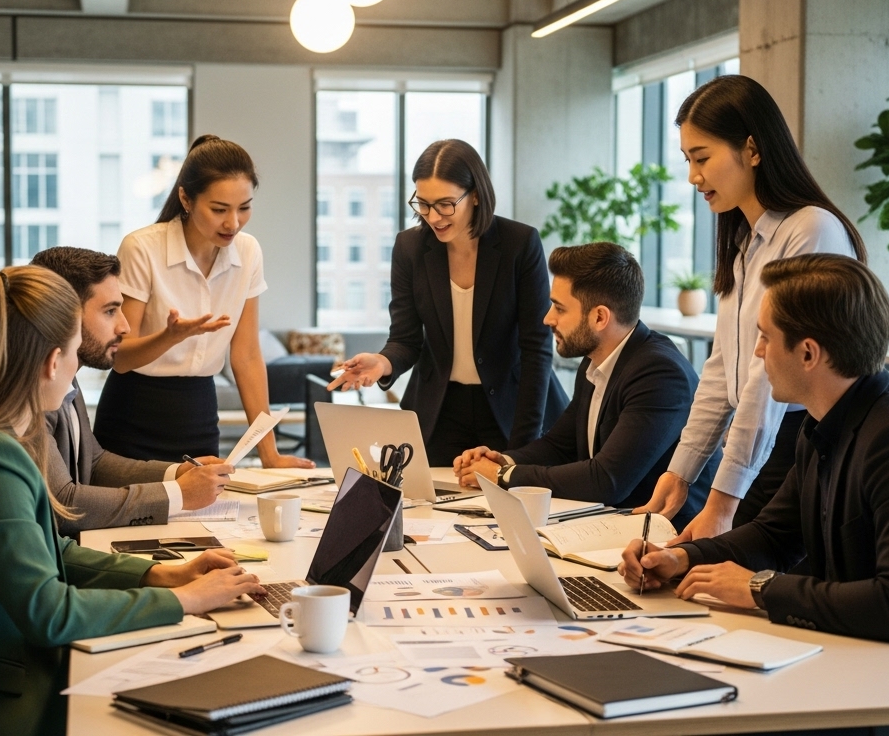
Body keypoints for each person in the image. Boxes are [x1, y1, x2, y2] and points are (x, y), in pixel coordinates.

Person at [619, 254, 889, 736]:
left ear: (809, 353)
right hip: (871, 676)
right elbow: (775, 534)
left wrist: (758, 589)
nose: (757, 353)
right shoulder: (825, 422)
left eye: (766, 337)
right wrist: (681, 557)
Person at [0, 266, 261, 736]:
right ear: (50, 361)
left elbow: (48, 550)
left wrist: (162, 573)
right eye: (73, 355)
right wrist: (183, 600)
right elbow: (48, 612)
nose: (75, 370)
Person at [636, 75, 867, 542]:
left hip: (800, 439)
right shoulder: (743, 243)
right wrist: (681, 471)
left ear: (753, 149)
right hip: (760, 444)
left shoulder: (811, 230)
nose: (692, 176)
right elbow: (723, 369)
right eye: (687, 160)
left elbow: (764, 379)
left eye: (702, 158)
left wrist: (723, 502)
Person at [329, 139, 567, 466]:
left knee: (505, 504)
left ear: (477, 195)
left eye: (444, 204)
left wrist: (521, 451)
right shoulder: (410, 248)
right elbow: (405, 339)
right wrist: (382, 363)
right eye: (423, 204)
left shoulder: (519, 244)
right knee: (428, 507)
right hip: (440, 409)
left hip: (511, 408)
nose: (433, 217)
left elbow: (536, 348)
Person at [452, 243, 715, 526]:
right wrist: (502, 461)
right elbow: (559, 445)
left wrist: (503, 478)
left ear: (600, 317)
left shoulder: (660, 374)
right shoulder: (595, 359)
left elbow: (607, 480)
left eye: (559, 308)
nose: (547, 318)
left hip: (664, 539)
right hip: (612, 525)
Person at [94, 135, 313, 470]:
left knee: (203, 521)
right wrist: (169, 337)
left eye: (244, 208)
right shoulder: (142, 248)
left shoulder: (249, 251)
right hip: (134, 412)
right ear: (186, 198)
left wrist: (269, 454)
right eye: (219, 209)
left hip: (198, 414)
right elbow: (120, 358)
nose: (233, 223)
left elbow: (248, 356)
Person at [29, 247, 236, 535]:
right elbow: (62, 503)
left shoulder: (68, 374)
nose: (125, 327)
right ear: (64, 312)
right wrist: (176, 495)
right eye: (111, 311)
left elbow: (94, 462)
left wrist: (178, 473)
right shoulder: (32, 389)